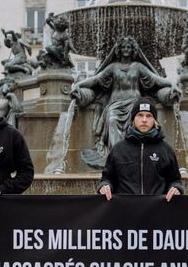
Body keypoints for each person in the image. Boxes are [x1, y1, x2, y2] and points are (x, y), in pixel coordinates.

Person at [71, 36, 181, 168]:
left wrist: (172, 84)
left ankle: (133, 154)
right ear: (119, 49)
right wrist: (78, 85)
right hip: (115, 103)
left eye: (128, 47)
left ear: (133, 49)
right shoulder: (113, 67)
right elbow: (95, 79)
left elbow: (157, 79)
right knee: (112, 120)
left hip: (134, 104)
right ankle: (118, 155)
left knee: (134, 126)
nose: (126, 49)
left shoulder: (138, 67)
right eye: (123, 47)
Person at [97, 97, 183, 201]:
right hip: (125, 211)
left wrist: (176, 188)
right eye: (140, 115)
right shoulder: (118, 149)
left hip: (157, 212)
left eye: (149, 116)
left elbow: (175, 180)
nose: (144, 120)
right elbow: (107, 177)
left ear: (154, 120)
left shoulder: (166, 149)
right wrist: (105, 185)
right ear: (133, 119)